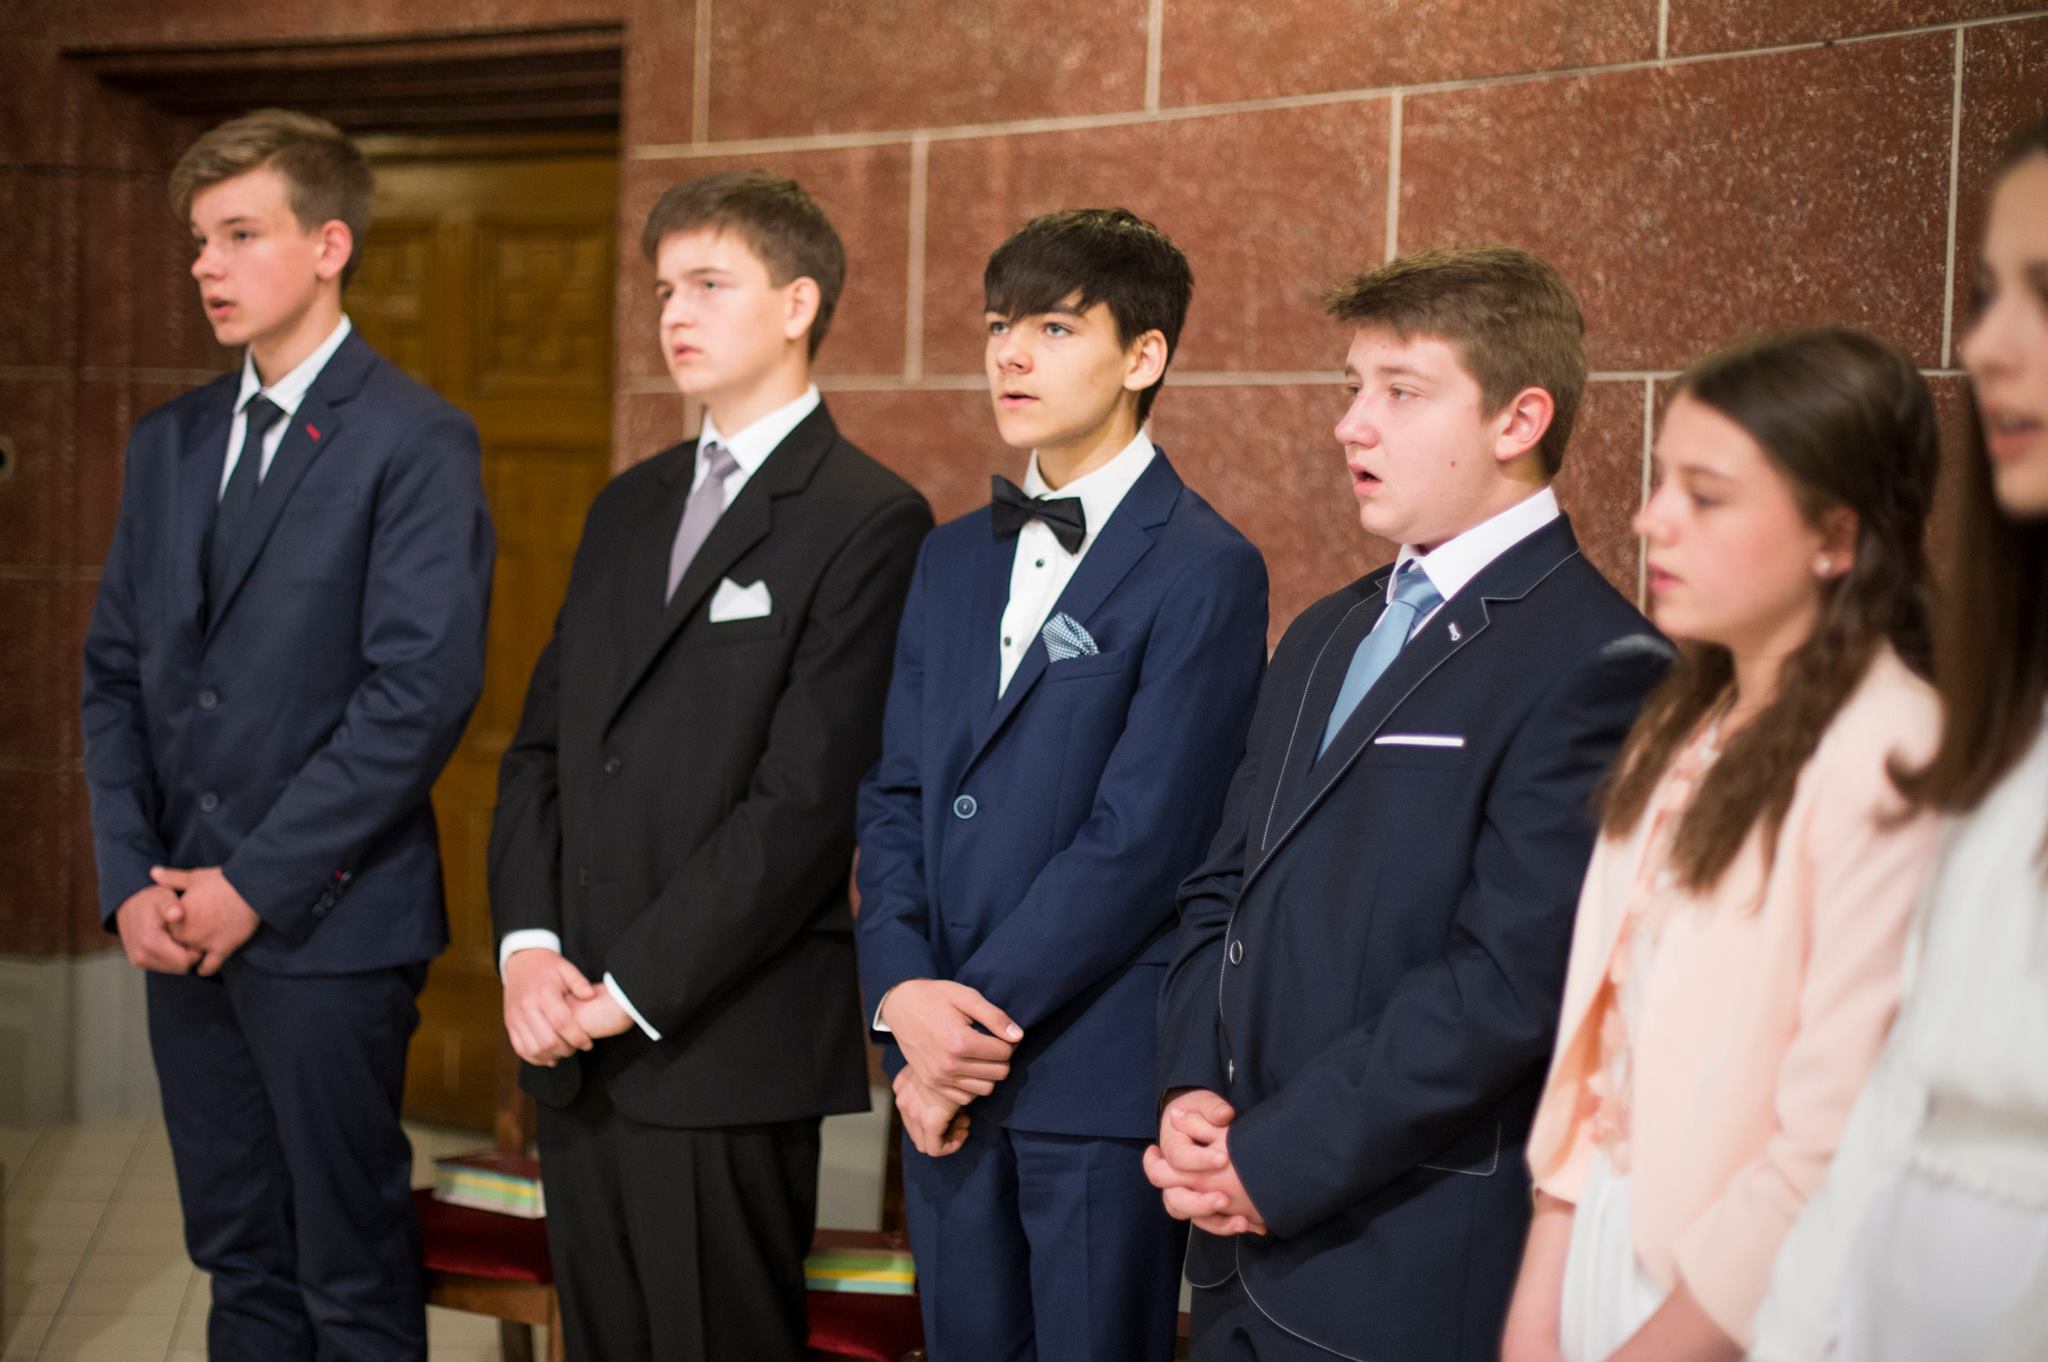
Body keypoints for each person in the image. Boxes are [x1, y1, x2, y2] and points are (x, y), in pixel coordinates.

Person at [1150, 245, 1669, 1362]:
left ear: (1518, 419)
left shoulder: (1596, 658)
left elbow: (1508, 985)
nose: (1352, 425)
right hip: (1229, 1239)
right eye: (1352, 388)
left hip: (1401, 1260)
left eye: (1400, 391)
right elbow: (1224, 882)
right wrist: (1192, 1084)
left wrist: (1273, 1161)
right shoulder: (1327, 628)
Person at [487, 169, 931, 1362]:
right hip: (571, 1038)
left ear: (797, 303)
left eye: (707, 284)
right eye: (662, 290)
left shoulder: (867, 517)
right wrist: (528, 951)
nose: (673, 312)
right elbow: (541, 750)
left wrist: (625, 991)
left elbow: (801, 810)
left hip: (719, 1041)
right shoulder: (625, 506)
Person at [79, 109, 493, 1360]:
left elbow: (415, 699)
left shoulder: (414, 439)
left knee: (347, 1272)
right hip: (176, 923)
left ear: (328, 245)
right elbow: (113, 675)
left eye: (238, 235)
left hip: (329, 929)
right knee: (238, 1259)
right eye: (198, 240)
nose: (204, 264)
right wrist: (128, 879)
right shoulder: (167, 443)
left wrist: (250, 884)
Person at [854, 207, 1268, 1360]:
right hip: (935, 1065)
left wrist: (958, 1031)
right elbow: (895, 795)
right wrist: (901, 1000)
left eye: (1052, 327)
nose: (1010, 355)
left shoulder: (1206, 568)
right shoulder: (948, 555)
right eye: (998, 326)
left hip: (1085, 1074)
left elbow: (1142, 840)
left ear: (1143, 356)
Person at [1499, 327, 1944, 1362]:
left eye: (1704, 496)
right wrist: (1538, 1303)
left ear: (1835, 536)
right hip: (1605, 1236)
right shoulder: (1682, 721)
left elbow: (1833, 1140)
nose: (1650, 519)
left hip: (1745, 1289)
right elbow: (1599, 1047)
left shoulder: (1891, 754)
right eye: (1663, 482)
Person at [1751, 115, 2048, 1362]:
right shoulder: (2002, 724)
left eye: (2043, 294)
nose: (1982, 345)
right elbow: (1891, 1106)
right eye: (1983, 295)